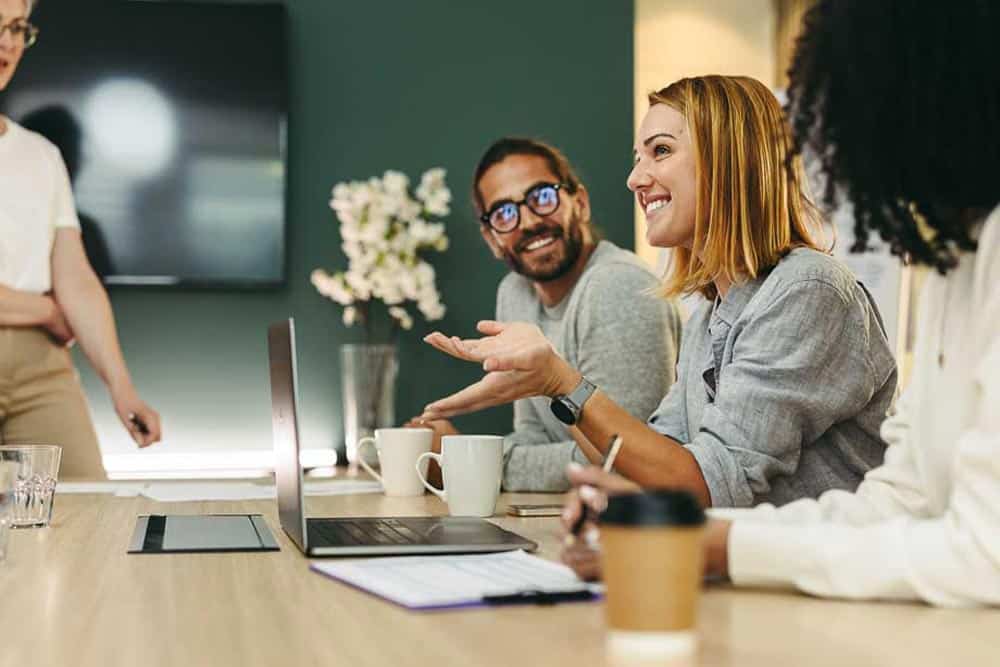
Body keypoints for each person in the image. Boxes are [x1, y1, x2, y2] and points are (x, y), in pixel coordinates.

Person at [562, 0, 1000, 607]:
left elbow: (984, 556)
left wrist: (716, 547)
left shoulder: (811, 288)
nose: (831, 144)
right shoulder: (962, 261)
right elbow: (900, 501)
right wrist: (690, 534)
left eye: (660, 152)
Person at [420, 76, 897, 509]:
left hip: (821, 591)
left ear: (727, 159)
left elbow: (705, 484)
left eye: (661, 151)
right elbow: (649, 460)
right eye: (638, 158)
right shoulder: (711, 313)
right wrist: (550, 390)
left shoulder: (806, 289)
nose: (635, 179)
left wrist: (559, 381)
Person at [407, 138, 681, 491]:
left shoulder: (618, 286)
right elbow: (534, 434)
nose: (529, 221)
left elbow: (620, 464)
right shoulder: (515, 292)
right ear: (491, 239)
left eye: (542, 196)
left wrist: (465, 461)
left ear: (579, 203)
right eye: (504, 213)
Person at [0, 0, 161, 478]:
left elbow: (76, 278)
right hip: (40, 327)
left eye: (16, 28)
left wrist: (122, 388)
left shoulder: (41, 156)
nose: (7, 42)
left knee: (87, 516)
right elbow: (58, 303)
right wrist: (46, 310)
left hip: (41, 370)